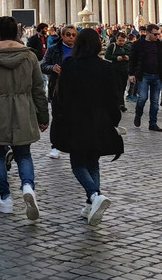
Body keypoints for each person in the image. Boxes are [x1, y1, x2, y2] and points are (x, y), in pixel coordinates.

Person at [0, 16, 48, 220]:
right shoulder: (29, 56)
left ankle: (5, 198)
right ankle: (28, 186)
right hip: (24, 109)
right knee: (23, 154)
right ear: (17, 33)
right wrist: (43, 115)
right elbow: (39, 89)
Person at [49, 28, 121, 225]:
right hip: (100, 120)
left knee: (78, 163)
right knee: (93, 162)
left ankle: (94, 195)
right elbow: (114, 97)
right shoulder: (106, 67)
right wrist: (113, 120)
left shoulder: (70, 64)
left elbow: (61, 95)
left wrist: (59, 117)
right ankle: (91, 204)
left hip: (76, 120)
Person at [41, 26, 77, 157]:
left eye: (74, 35)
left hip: (76, 88)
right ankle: (56, 146)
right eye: (68, 34)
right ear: (62, 36)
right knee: (57, 117)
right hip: (57, 87)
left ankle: (73, 142)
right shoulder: (53, 49)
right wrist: (52, 68)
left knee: (74, 117)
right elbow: (43, 66)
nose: (71, 37)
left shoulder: (80, 50)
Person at [128, 24, 162, 132]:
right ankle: (138, 114)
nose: (157, 36)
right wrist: (131, 74)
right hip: (143, 75)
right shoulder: (138, 44)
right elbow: (132, 60)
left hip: (157, 75)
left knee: (155, 101)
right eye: (155, 34)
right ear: (148, 33)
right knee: (142, 97)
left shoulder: (160, 45)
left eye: (158, 34)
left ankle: (153, 123)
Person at [104, 32, 131, 112]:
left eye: (123, 41)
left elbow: (132, 55)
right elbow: (107, 56)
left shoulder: (127, 47)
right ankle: (120, 104)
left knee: (123, 87)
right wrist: (116, 58)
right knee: (117, 86)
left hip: (124, 69)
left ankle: (120, 102)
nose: (121, 42)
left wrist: (127, 57)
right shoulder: (112, 46)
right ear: (116, 39)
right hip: (115, 69)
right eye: (120, 41)